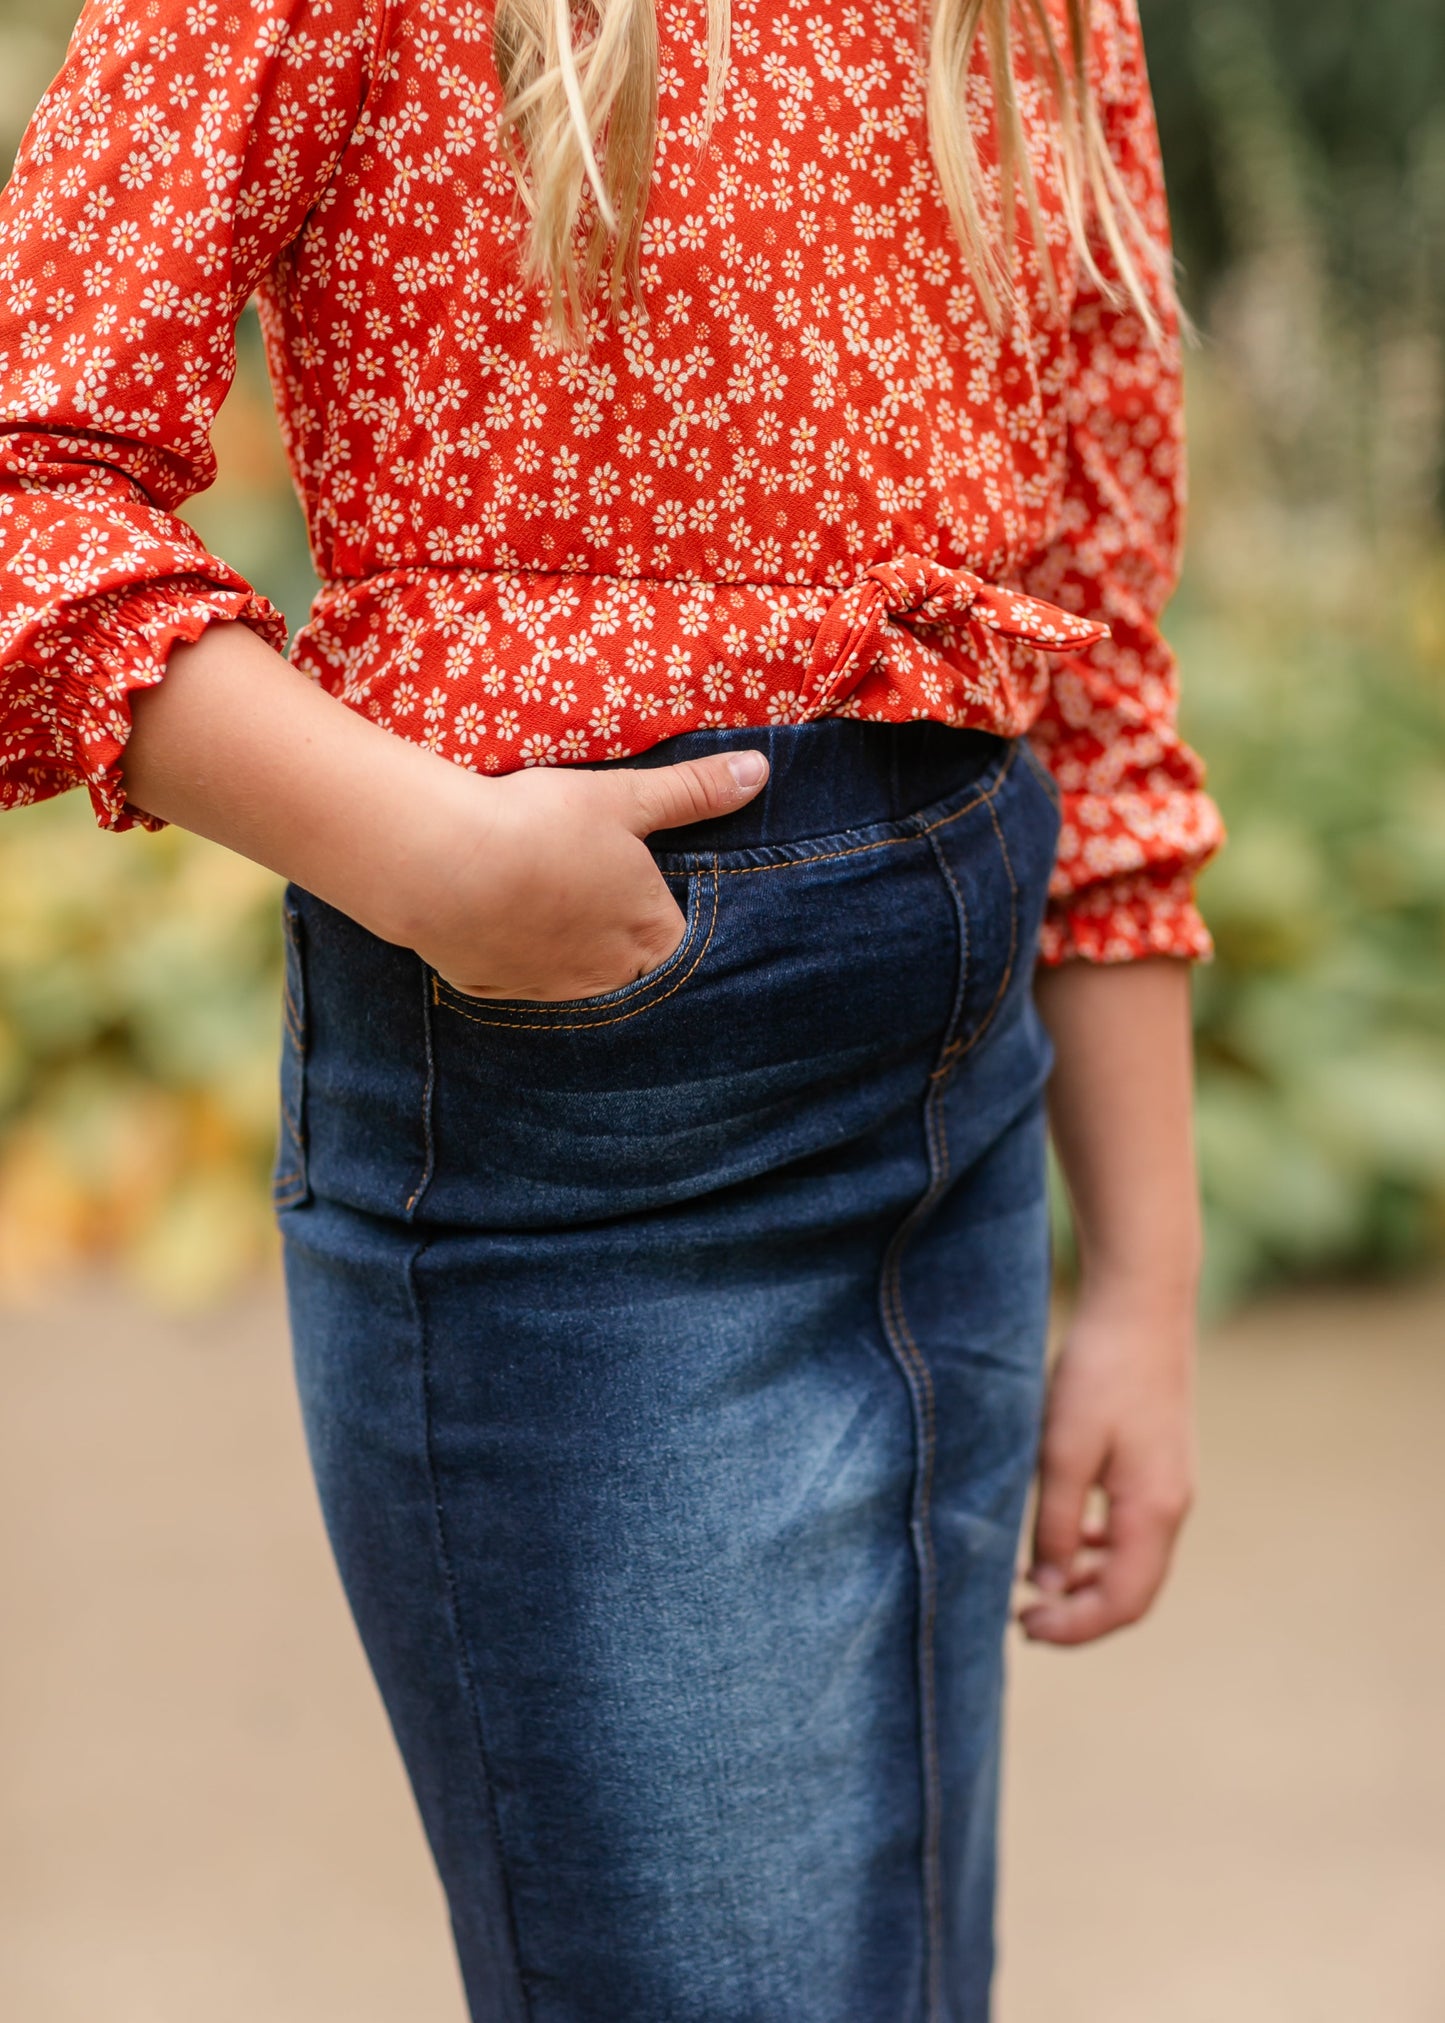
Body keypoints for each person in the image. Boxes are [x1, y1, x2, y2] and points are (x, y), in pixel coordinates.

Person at [0, 0, 1223, 2013]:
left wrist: (1146, 1279)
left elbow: (1092, 634)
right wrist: (419, 856)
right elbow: (34, 481)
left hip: (964, 1131)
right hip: (588, 1153)